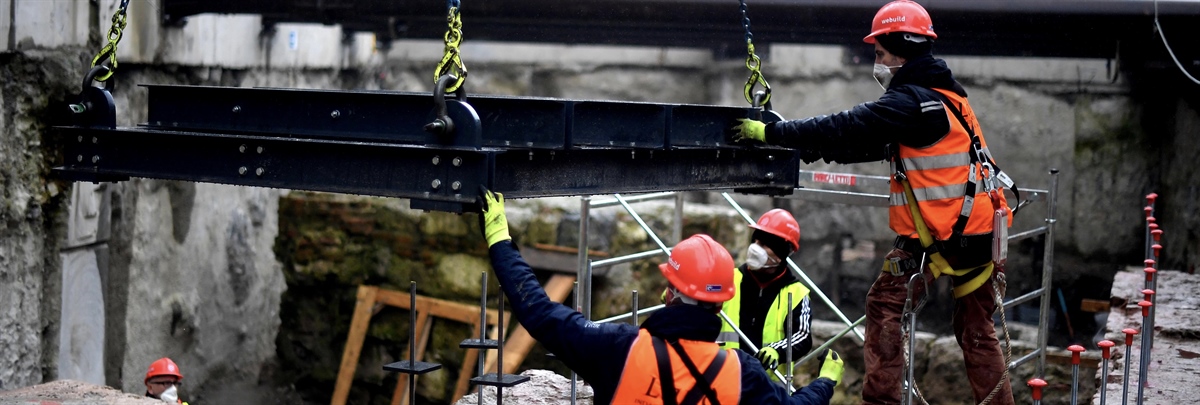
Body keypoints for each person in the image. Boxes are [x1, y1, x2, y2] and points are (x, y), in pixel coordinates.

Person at [728, 1, 1015, 404]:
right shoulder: (948, 101)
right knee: (977, 331)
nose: (876, 63)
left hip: (939, 237)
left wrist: (772, 133)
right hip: (980, 236)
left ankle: (881, 402)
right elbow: (855, 144)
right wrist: (803, 146)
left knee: (884, 309)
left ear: (900, 48)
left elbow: (844, 126)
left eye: (880, 54)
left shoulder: (909, 103)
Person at [478, 187, 843, 404]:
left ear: (670, 293)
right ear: (719, 303)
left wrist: (500, 241)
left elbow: (538, 311)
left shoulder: (618, 347)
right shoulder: (742, 375)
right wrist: (825, 382)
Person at [718, 209, 813, 380]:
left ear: (780, 253)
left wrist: (777, 350)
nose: (754, 248)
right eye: (755, 241)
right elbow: (699, 305)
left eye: (764, 244)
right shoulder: (728, 279)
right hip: (726, 378)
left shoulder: (797, 293)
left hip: (768, 387)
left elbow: (803, 336)